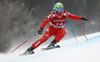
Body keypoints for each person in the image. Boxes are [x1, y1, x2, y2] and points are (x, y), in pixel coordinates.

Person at [24, 2, 88, 54]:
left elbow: (73, 16)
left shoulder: (65, 14)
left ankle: (52, 43)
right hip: (51, 29)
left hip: (59, 30)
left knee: (64, 31)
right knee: (44, 39)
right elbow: (45, 21)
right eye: (59, 10)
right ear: (56, 10)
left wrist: (82, 18)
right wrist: (41, 28)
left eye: (62, 10)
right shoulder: (52, 14)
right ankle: (30, 49)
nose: (61, 12)